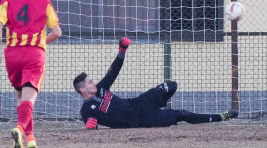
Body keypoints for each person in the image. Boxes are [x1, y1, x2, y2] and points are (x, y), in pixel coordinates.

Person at [73, 38, 239, 129]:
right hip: (142, 120)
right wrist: (90, 125)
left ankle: (160, 103)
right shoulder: (87, 109)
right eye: (89, 82)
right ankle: (221, 117)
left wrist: (122, 51)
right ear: (82, 89)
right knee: (181, 113)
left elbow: (113, 71)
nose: (94, 83)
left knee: (171, 85)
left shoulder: (101, 89)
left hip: (139, 103)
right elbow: (90, 123)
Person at [0, 0, 62, 148]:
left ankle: (30, 140)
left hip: (12, 55)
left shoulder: (6, 2)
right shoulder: (44, 2)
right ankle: (20, 129)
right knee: (29, 99)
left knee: (20, 97)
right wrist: (40, 41)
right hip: (33, 55)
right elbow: (57, 32)